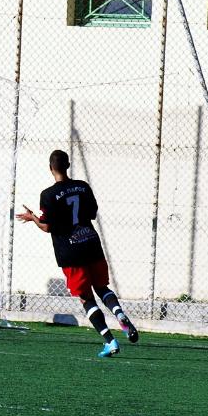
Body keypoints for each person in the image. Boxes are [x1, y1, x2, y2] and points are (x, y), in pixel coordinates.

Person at [16, 149, 140, 358]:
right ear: (68, 165)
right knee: (102, 288)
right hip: (91, 244)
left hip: (70, 252)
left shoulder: (48, 195)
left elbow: (47, 227)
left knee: (85, 297)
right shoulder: (83, 186)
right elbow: (92, 213)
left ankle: (110, 341)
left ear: (50, 168)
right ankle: (119, 314)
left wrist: (32, 218)